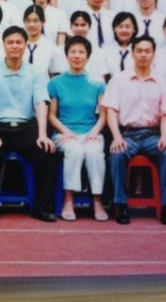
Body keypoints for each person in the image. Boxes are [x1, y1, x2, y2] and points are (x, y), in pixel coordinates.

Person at [0, 25, 59, 222]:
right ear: (3, 45)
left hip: (26, 127)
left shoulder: (36, 72)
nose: (15, 46)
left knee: (47, 152)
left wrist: (42, 134)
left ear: (25, 45)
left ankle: (41, 207)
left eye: (19, 42)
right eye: (10, 42)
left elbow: (41, 103)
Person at [102, 35, 166, 225]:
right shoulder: (119, 79)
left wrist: (164, 137)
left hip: (152, 135)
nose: (143, 55)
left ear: (153, 54)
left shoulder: (161, 81)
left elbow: (165, 114)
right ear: (132, 53)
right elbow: (111, 110)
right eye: (139, 51)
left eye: (147, 51)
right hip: (128, 134)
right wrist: (117, 137)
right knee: (117, 153)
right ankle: (121, 205)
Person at [48, 36, 108, 221]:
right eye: (73, 51)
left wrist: (94, 132)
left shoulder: (97, 83)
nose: (77, 55)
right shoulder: (56, 82)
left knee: (93, 152)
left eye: (81, 52)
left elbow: (103, 114)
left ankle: (97, 201)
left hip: (91, 131)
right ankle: (68, 200)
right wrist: (66, 132)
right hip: (64, 133)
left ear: (87, 56)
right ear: (66, 55)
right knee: (74, 150)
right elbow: (51, 115)